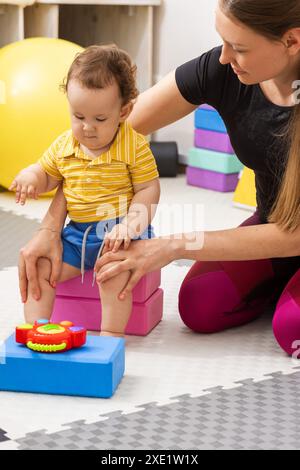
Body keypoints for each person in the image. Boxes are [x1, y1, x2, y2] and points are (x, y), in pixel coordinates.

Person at [18, 0, 300, 352]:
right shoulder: (222, 68)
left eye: (239, 48)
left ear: (292, 41)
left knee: (292, 330)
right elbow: (98, 146)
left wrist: (168, 246)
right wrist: (50, 227)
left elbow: (296, 234)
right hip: (274, 227)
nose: (224, 57)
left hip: (294, 234)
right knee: (200, 306)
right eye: (223, 41)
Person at [10, 44, 160, 337]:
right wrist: (30, 176)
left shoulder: (134, 146)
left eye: (99, 119)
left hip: (120, 235)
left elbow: (148, 189)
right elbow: (47, 175)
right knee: (40, 265)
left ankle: (110, 338)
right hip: (77, 235)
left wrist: (131, 225)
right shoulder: (65, 145)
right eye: (78, 116)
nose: (87, 128)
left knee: (113, 273)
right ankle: (38, 330)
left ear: (123, 111)